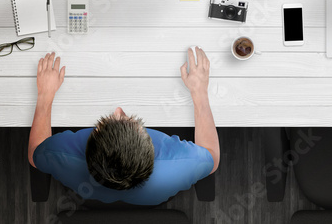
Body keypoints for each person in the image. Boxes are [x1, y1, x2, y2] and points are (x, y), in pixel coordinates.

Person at [28, 48, 219, 205]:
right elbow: (213, 158)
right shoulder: (182, 162)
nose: (118, 110)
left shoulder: (60, 154)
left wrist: (45, 94)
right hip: (151, 199)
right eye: (129, 120)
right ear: (150, 144)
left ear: (90, 142)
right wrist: (200, 92)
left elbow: (34, 154)